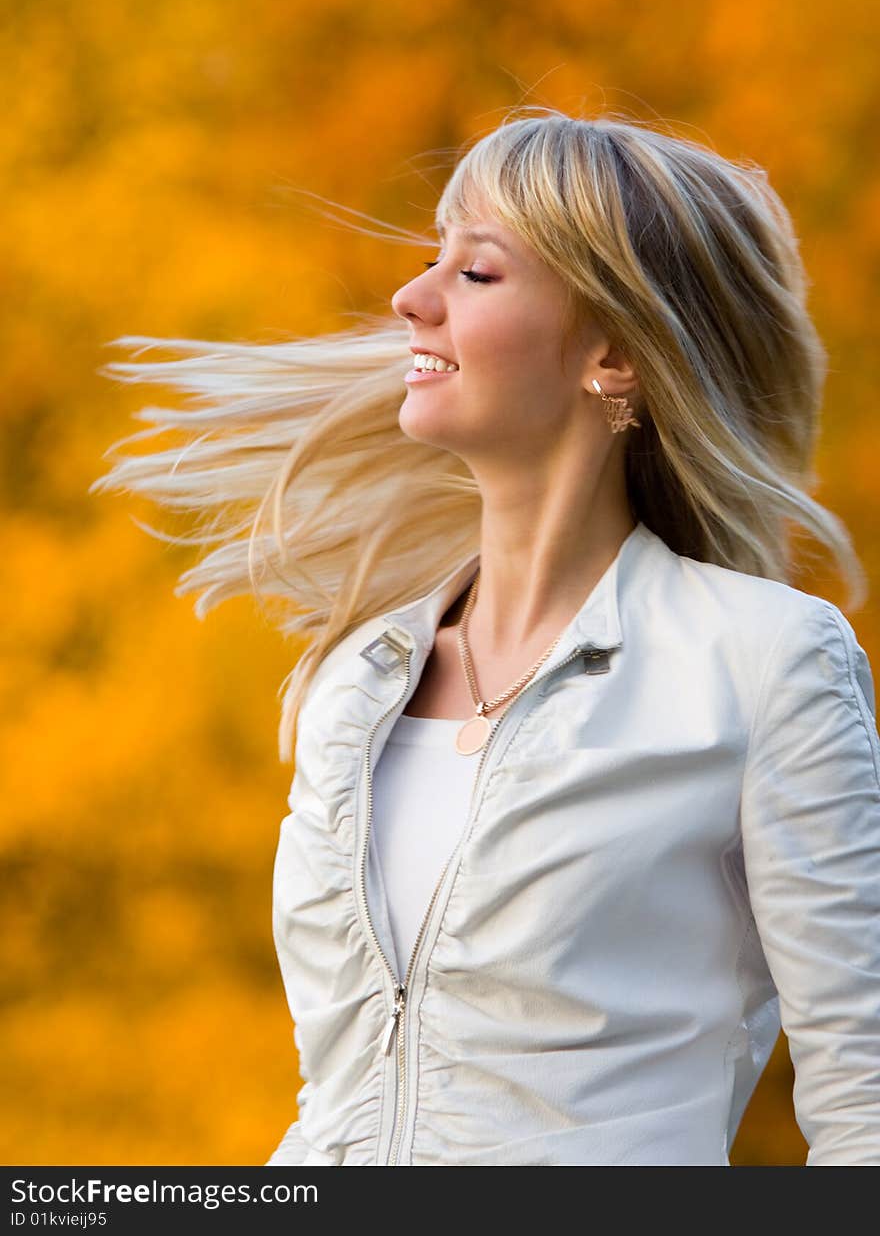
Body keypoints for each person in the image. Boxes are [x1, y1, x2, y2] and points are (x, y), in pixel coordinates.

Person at [90, 108, 880, 1166]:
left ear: (613, 348)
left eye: (476, 273)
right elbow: (348, 1078)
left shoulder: (764, 661)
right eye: (432, 258)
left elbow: (862, 1089)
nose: (409, 299)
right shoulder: (358, 679)